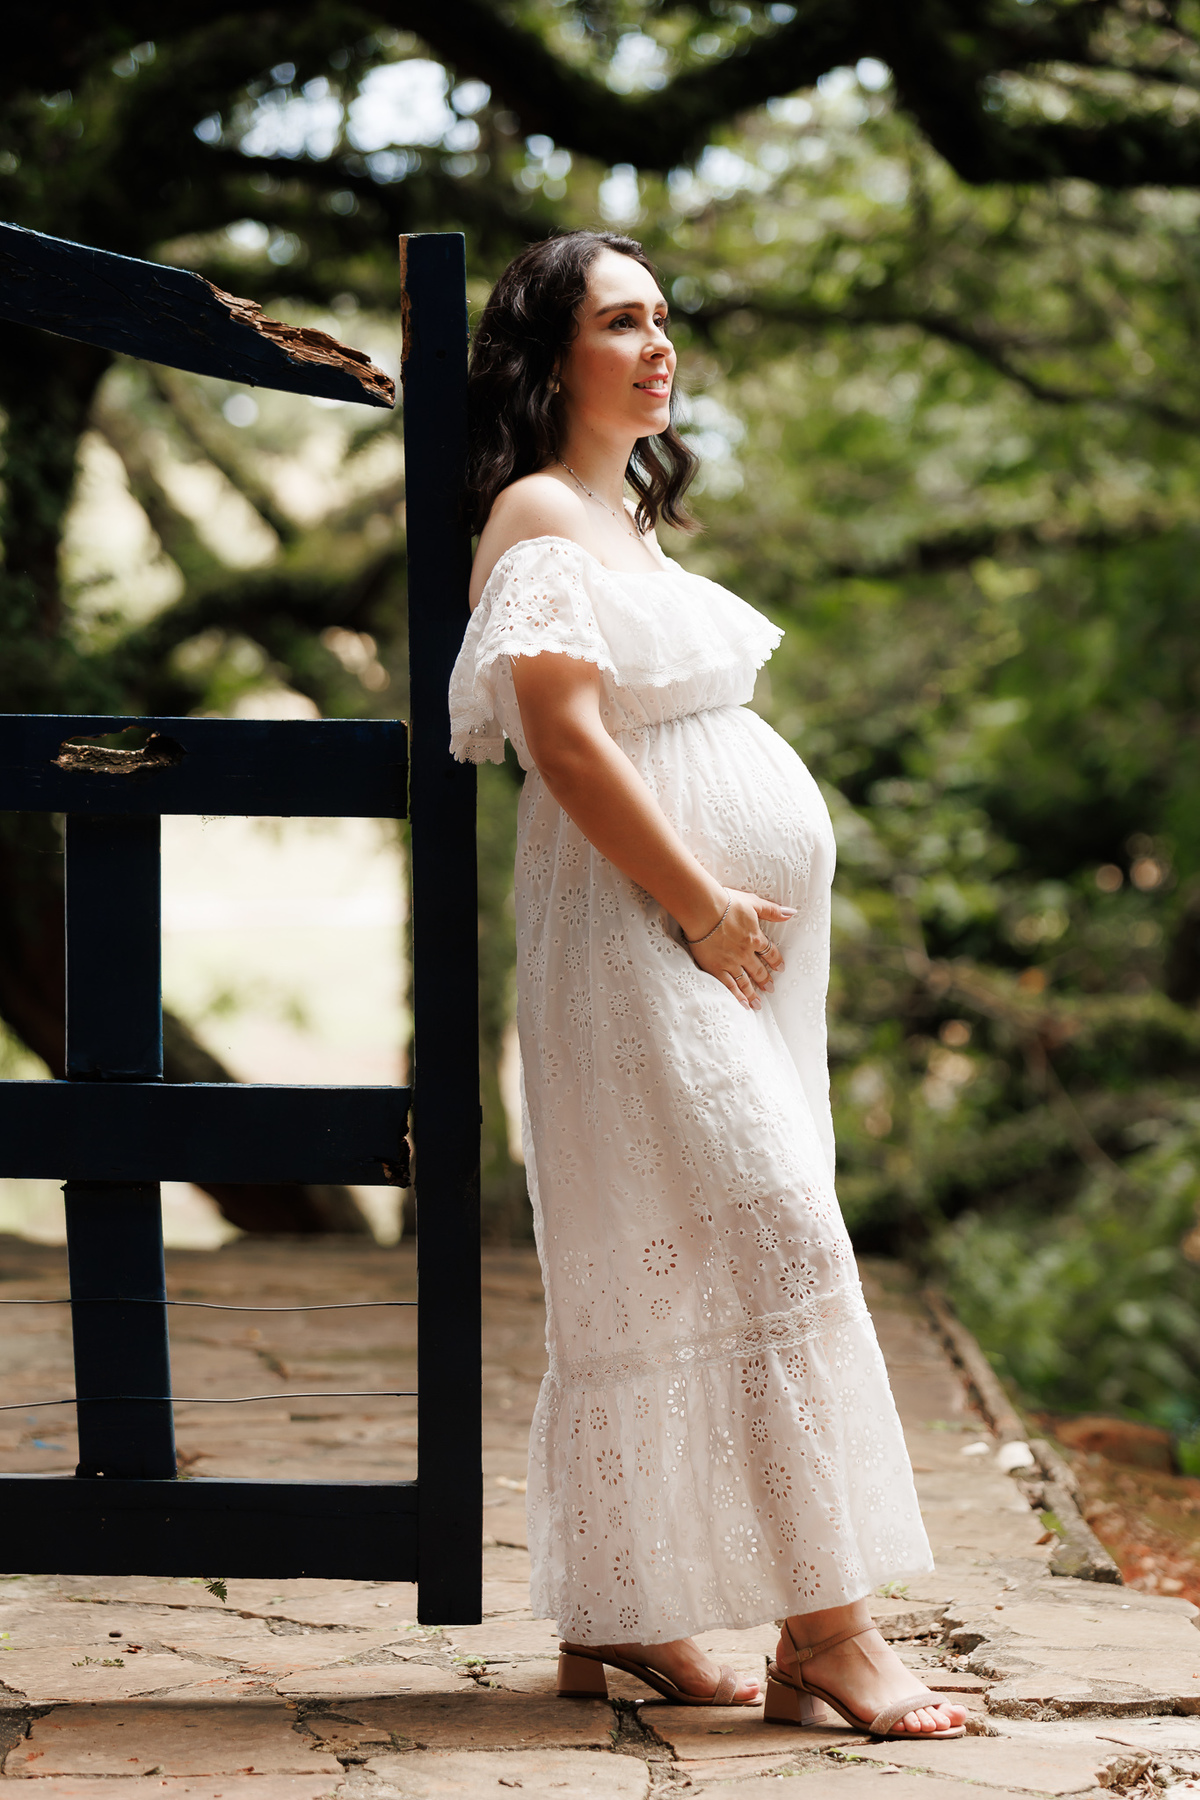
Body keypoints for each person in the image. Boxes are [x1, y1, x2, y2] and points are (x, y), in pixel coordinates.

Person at [448, 229, 966, 1741]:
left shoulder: (617, 520)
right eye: (623, 321)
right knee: (777, 1242)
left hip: (701, 939)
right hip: (639, 936)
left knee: (685, 1247)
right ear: (551, 360)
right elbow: (566, 739)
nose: (660, 344)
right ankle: (830, 1635)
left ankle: (630, 1619)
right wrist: (700, 906)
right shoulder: (538, 513)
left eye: (665, 318)